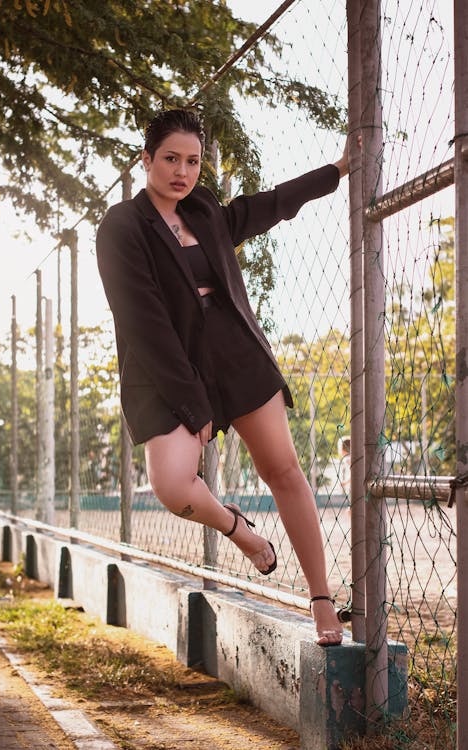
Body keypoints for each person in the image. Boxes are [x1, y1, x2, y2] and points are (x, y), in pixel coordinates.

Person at [96, 108, 353, 646]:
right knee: (172, 487)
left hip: (234, 352)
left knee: (283, 469)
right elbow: (144, 323)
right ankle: (239, 529)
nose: (181, 171)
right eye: (170, 158)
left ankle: (322, 599)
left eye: (192, 161)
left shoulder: (206, 209)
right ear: (146, 160)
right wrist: (194, 404)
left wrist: (335, 171)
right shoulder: (121, 226)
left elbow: (262, 209)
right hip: (168, 366)